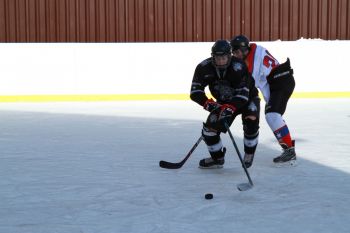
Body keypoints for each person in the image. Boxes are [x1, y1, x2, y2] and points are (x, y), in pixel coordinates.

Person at [190, 39, 260, 169]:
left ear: (229, 56)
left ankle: (249, 154)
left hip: (247, 98)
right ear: (213, 56)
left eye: (224, 57)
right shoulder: (203, 67)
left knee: (251, 120)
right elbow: (195, 92)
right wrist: (208, 103)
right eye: (217, 57)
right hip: (223, 102)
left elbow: (243, 94)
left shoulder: (239, 66)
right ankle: (217, 159)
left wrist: (231, 107)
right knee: (209, 131)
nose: (221, 61)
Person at [230, 35, 296, 166]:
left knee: (272, 115)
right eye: (234, 52)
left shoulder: (252, 59)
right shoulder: (255, 51)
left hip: (281, 82)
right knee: (273, 115)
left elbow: (249, 83)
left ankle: (289, 151)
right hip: (279, 82)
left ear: (245, 49)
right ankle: (289, 149)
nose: (236, 55)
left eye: (238, 52)